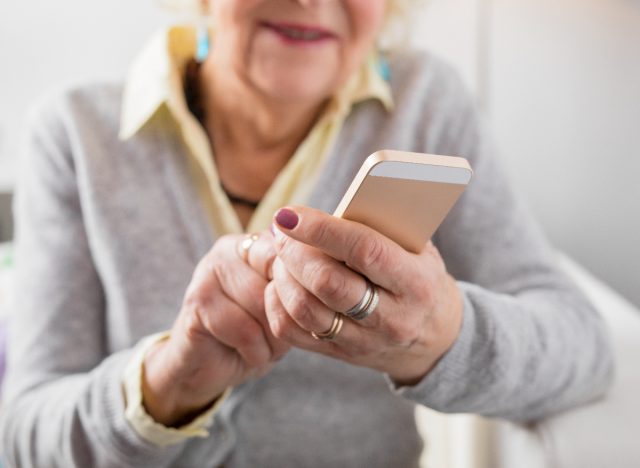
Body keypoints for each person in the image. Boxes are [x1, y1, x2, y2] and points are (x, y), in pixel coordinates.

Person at [0, 0, 613, 466]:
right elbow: (25, 432)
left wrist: (443, 335)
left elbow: (583, 347)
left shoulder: (426, 102)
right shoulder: (74, 134)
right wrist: (167, 383)